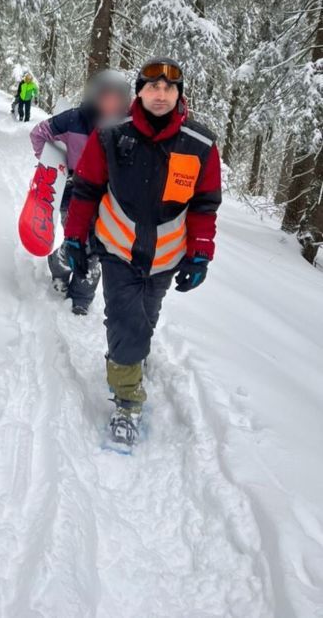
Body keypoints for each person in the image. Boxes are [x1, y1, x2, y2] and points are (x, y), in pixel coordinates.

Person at [63, 58, 222, 448]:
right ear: (140, 91)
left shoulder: (200, 144)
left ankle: (132, 357)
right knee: (126, 322)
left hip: (166, 258)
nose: (161, 94)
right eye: (153, 87)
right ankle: (127, 402)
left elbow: (205, 205)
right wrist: (74, 238)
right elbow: (86, 190)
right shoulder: (111, 135)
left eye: (170, 88)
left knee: (147, 317)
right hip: (117, 249)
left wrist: (200, 253)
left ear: (179, 95)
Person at [30, 70, 131, 315]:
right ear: (96, 96)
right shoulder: (74, 119)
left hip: (107, 197)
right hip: (73, 190)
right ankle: (60, 269)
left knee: (97, 247)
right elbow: (39, 133)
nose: (112, 103)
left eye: (118, 98)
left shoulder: (127, 126)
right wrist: (53, 164)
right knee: (76, 240)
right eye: (107, 97)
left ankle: (82, 297)